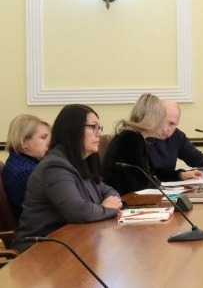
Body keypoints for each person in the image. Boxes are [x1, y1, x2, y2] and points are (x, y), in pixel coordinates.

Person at [10, 104, 122, 252]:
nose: (99, 134)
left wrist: (108, 205)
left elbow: (109, 191)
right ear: (73, 130)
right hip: (39, 249)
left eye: (99, 127)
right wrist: (106, 208)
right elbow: (79, 211)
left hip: (69, 242)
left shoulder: (78, 161)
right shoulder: (55, 167)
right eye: (93, 127)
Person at [102, 93, 202, 196]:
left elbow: (153, 173)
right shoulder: (130, 139)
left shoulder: (136, 137)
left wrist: (180, 175)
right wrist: (166, 188)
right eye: (162, 120)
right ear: (151, 119)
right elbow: (142, 183)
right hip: (121, 200)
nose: (164, 128)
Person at [145, 99, 203, 175]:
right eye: (161, 121)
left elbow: (192, 155)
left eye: (172, 124)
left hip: (168, 181)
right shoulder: (141, 136)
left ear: (177, 123)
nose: (165, 129)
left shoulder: (176, 135)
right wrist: (180, 175)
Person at [2, 114, 51, 219]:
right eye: (43, 137)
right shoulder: (27, 171)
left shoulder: (16, 160)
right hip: (38, 226)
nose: (49, 143)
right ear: (24, 142)